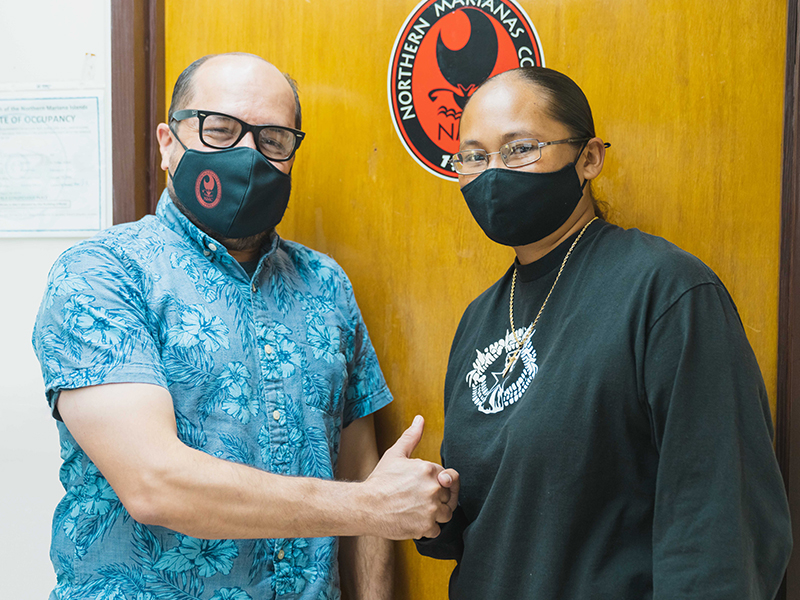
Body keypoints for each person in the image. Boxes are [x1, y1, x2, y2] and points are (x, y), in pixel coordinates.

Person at [32, 52, 458, 600]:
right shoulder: (102, 274)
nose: (247, 153)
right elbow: (155, 483)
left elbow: (359, 472)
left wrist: (371, 516)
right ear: (168, 141)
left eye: (273, 139)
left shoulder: (327, 284)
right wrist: (373, 507)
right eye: (221, 129)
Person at [414, 66, 791, 599]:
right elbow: (498, 517)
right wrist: (431, 504)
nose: (493, 172)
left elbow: (723, 526)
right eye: (474, 157)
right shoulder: (479, 318)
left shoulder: (667, 292)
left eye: (520, 148)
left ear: (588, 158)